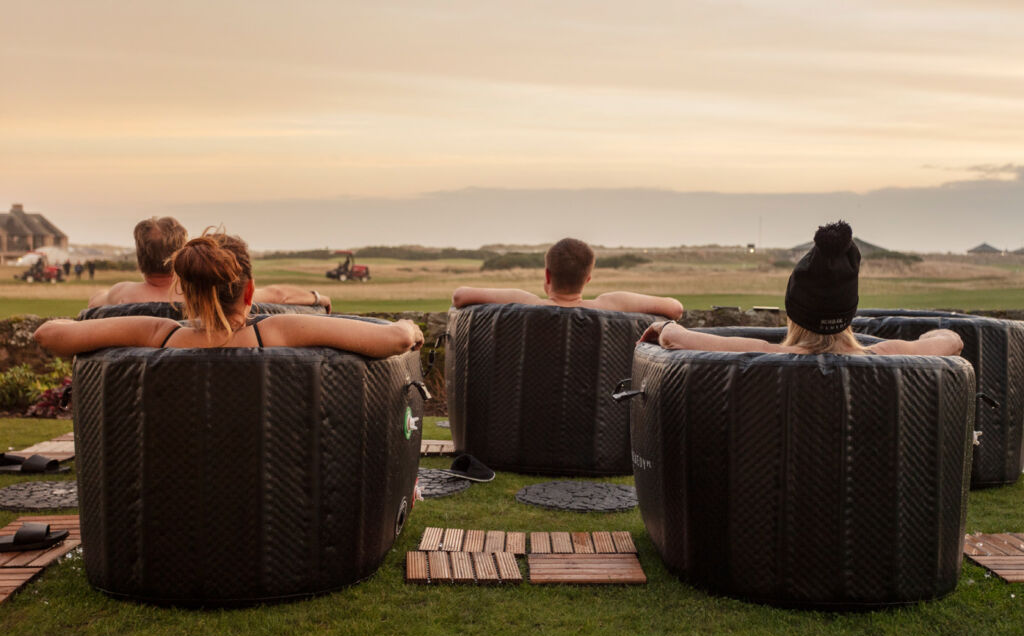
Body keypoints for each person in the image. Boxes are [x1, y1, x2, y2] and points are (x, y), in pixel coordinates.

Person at [36, 229, 422, 358]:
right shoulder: (281, 332)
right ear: (249, 289)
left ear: (183, 291)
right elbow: (397, 338)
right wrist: (410, 325)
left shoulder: (157, 333)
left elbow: (48, 335)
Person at [639, 221, 963, 356]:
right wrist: (896, 343)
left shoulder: (767, 356)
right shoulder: (884, 357)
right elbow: (951, 340)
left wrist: (662, 325)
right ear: (850, 311)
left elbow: (674, 337)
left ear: (793, 310)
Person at [87, 217, 333, 312]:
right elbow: (280, 295)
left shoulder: (122, 295)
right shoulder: (205, 295)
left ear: (140, 256)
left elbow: (94, 302)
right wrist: (318, 297)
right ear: (183, 256)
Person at [451, 237, 684, 318]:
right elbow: (675, 309)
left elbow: (460, 296)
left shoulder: (527, 303)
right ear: (588, 278)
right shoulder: (609, 305)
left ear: (547, 275)